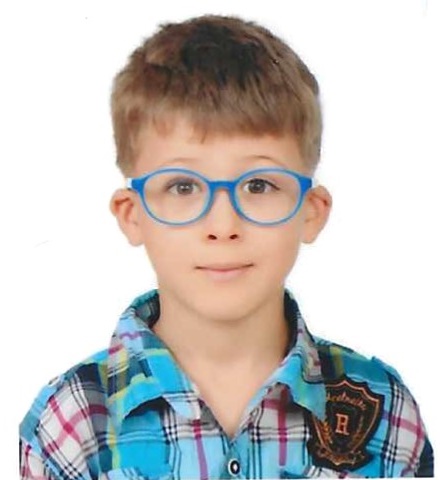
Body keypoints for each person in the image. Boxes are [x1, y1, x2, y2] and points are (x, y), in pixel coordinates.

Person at [19, 14, 433, 479]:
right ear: (132, 214)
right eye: (182, 187)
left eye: (258, 185)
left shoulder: (384, 413)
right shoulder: (72, 423)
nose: (222, 226)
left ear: (311, 211)